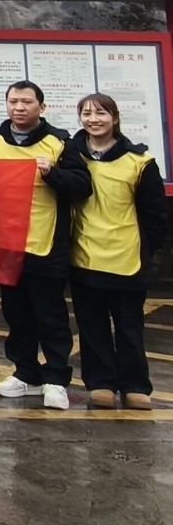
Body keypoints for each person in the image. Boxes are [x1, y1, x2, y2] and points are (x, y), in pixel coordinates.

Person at [0, 81, 91, 411]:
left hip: (47, 244)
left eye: (27, 102)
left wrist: (52, 173)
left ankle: (56, 378)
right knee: (16, 315)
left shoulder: (60, 142)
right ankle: (26, 373)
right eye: (13, 101)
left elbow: (82, 186)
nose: (19, 107)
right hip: (7, 244)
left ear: (41, 107)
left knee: (50, 315)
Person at [68, 93, 165, 411]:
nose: (93, 119)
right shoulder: (71, 156)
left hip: (128, 257)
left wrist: (150, 251)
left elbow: (154, 214)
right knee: (91, 326)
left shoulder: (140, 161)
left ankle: (135, 385)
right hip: (84, 254)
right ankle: (101, 384)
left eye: (101, 113)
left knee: (129, 326)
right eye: (87, 113)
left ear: (115, 118)